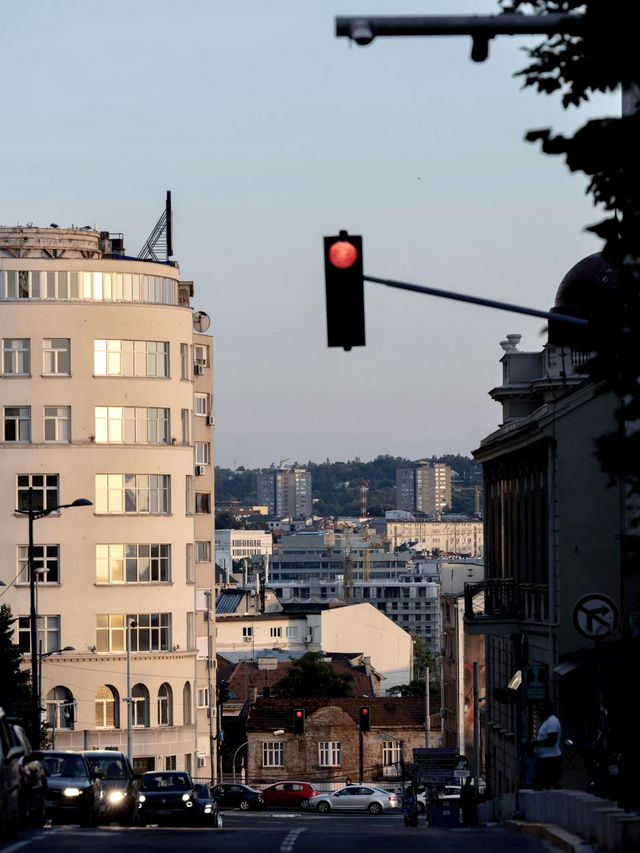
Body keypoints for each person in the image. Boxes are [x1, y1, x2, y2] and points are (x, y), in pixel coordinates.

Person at [530, 699, 562, 790]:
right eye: (539, 707)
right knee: (542, 785)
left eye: (542, 707)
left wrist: (535, 743)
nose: (539, 710)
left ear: (549, 709)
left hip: (550, 759)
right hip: (545, 758)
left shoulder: (552, 721)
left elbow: (552, 741)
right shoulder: (547, 721)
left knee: (545, 784)